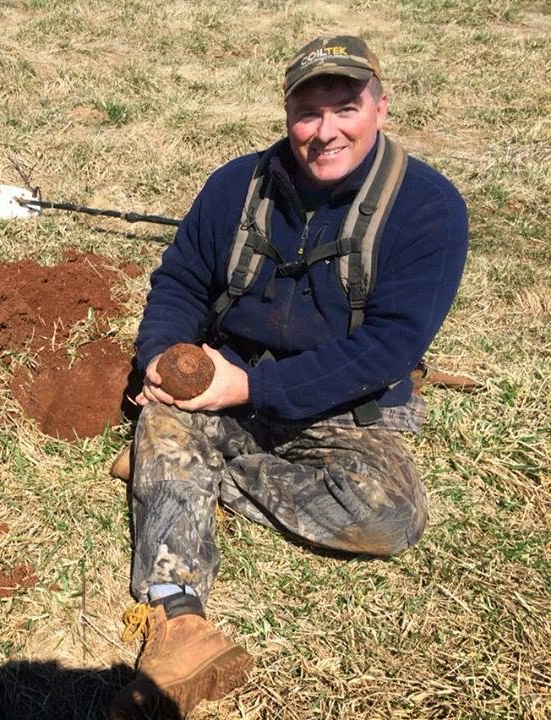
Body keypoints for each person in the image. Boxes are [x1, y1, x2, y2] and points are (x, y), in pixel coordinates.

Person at [109, 35, 468, 719]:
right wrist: (160, 355)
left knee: (391, 519)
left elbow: (391, 345)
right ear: (286, 115)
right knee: (163, 412)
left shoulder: (428, 208)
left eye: (345, 107)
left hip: (341, 402)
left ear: (381, 107)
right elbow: (181, 280)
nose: (324, 130)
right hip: (225, 380)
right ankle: (177, 619)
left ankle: (179, 472)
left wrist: (253, 391)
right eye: (307, 112)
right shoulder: (234, 186)